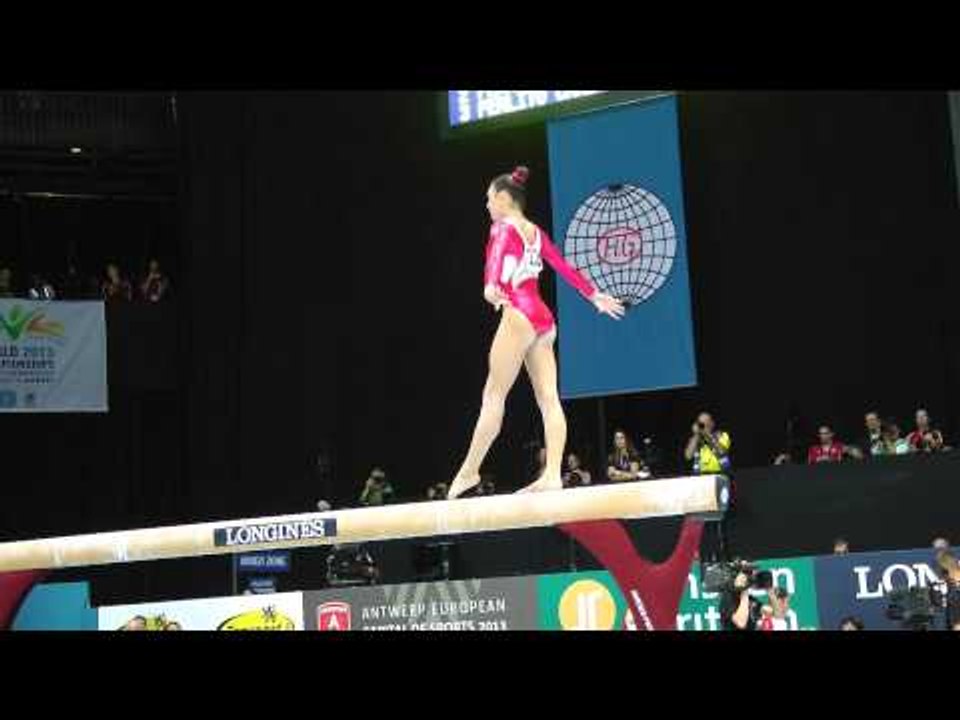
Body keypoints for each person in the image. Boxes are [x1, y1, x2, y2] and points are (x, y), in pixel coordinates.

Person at [448, 166, 624, 498]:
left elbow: (496, 255)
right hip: (543, 317)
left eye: (489, 199)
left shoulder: (503, 226)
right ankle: (553, 474)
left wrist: (490, 285)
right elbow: (563, 266)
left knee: (493, 396)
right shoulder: (535, 231)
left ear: (503, 198)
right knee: (548, 399)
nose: (487, 205)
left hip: (518, 314)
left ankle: (469, 471)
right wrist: (593, 295)